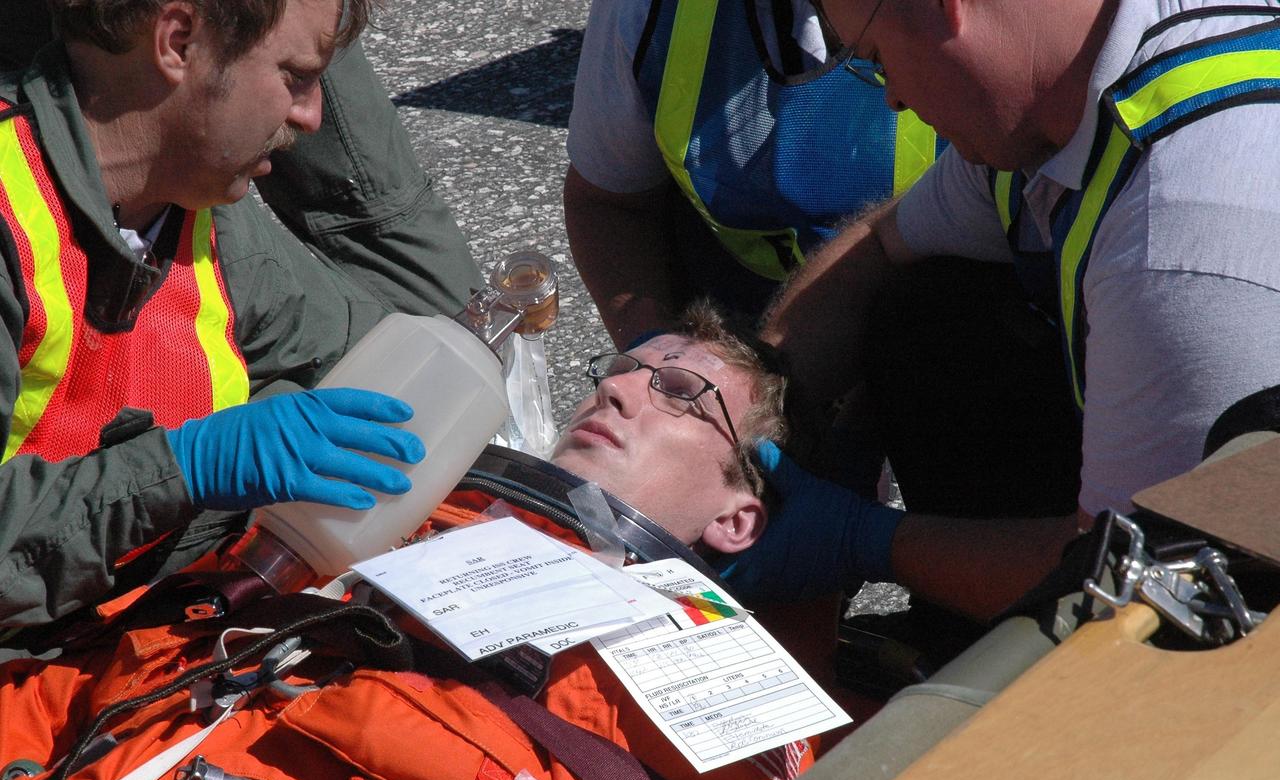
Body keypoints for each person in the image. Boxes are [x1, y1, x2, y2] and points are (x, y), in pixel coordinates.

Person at [0, 305, 807, 780]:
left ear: (737, 515)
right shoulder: (382, 490)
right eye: (622, 367)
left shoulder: (723, 678)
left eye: (680, 392)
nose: (617, 386)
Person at [726, 0, 1280, 621]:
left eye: (877, 60)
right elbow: (880, 245)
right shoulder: (1084, 90)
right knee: (925, 306)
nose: (893, 99)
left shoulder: (1178, 241)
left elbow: (1130, 593)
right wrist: (755, 406)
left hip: (1227, 620)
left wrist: (868, 541)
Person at [0, 0, 482, 630]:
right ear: (178, 41)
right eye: (295, 76)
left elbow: (365, 356)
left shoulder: (203, 217)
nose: (312, 117)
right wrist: (184, 468)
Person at [564, 0, 942, 348]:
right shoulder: (642, 9)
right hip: (733, 330)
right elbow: (607, 202)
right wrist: (655, 351)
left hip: (927, 328)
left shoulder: (950, 19)